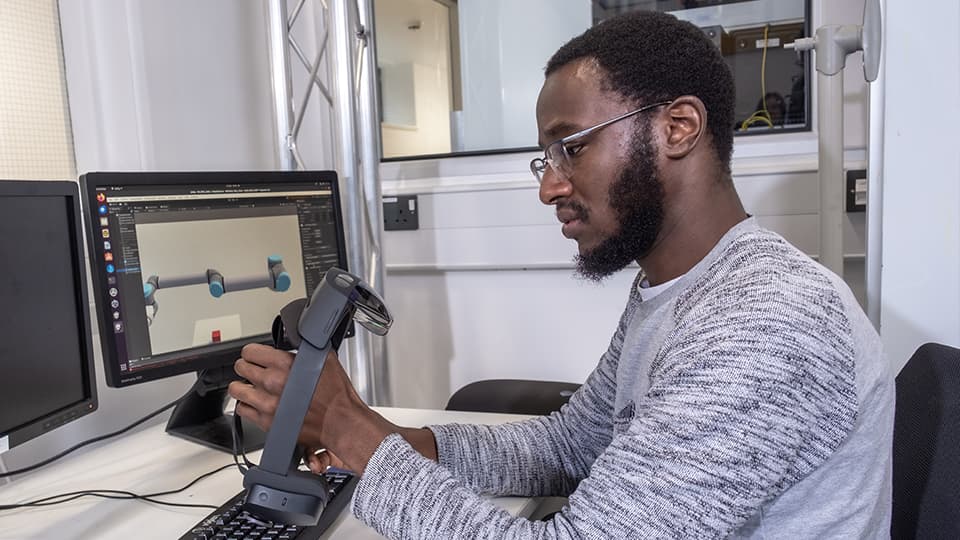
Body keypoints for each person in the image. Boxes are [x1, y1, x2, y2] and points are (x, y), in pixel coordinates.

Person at [229, 11, 893, 538]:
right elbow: (571, 445)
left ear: (678, 127)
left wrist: (352, 432)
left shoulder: (765, 322)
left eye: (571, 147)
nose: (549, 187)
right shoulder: (676, 289)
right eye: (545, 158)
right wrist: (392, 439)